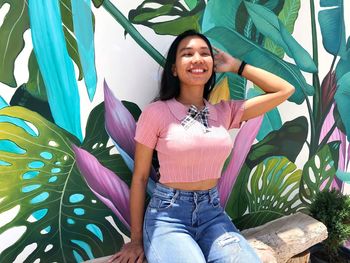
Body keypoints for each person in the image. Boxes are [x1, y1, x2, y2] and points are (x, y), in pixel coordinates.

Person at [109, 30, 295, 263]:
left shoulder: (224, 112)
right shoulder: (156, 113)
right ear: (174, 68)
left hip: (213, 215)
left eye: (204, 53)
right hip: (168, 218)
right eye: (187, 54)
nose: (197, 58)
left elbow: (284, 90)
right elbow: (140, 177)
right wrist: (135, 240)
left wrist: (237, 65)